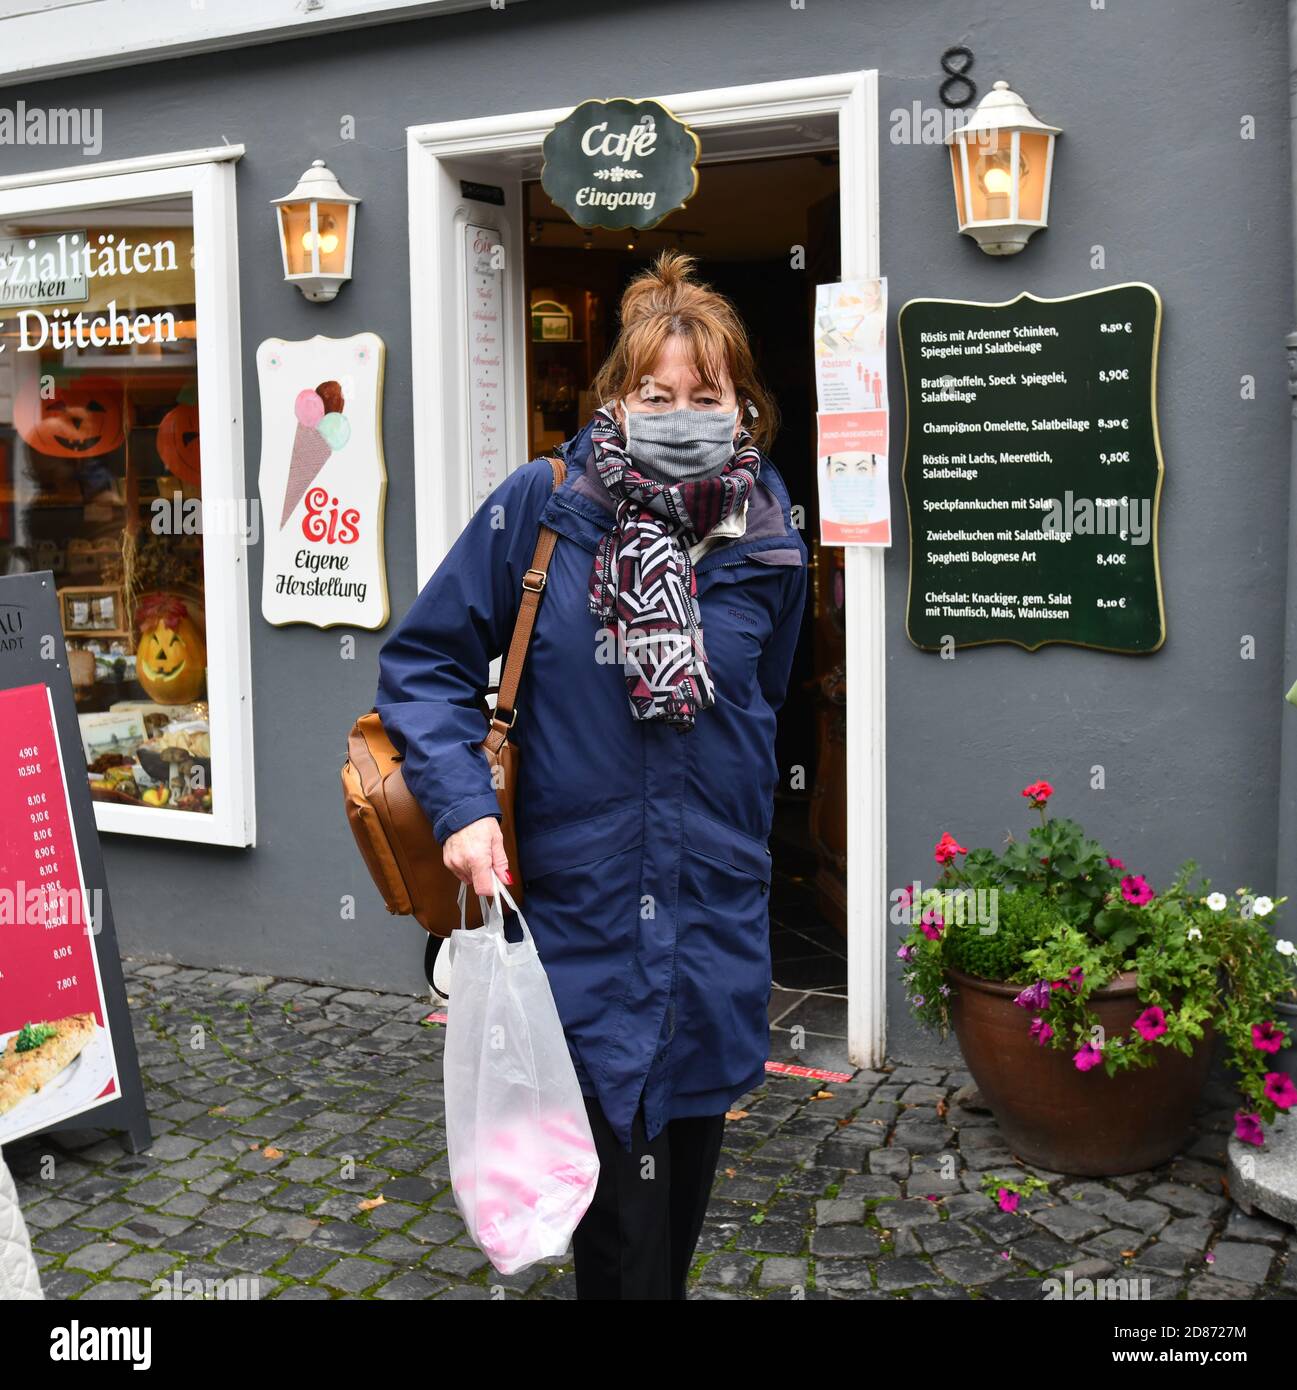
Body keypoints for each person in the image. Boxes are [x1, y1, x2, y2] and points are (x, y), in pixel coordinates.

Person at [375, 250, 808, 1299]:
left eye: (703, 395)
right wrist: (464, 809)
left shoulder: (767, 524)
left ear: (741, 402)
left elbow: (766, 696)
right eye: (654, 392)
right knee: (619, 1242)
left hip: (707, 932)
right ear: (616, 393)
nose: (678, 411)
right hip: (575, 927)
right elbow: (421, 663)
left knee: (674, 1219)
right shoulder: (543, 503)